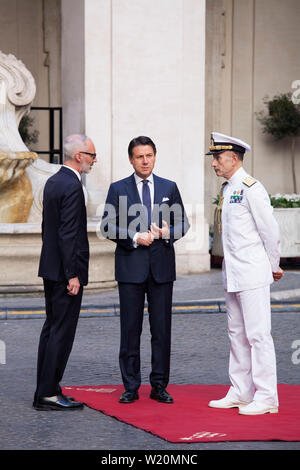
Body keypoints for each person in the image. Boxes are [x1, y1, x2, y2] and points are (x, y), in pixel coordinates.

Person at [101, 136, 189, 404]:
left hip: (162, 269)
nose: (145, 160)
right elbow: (106, 226)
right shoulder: (118, 189)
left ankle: (159, 385)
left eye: (149, 155)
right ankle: (131, 386)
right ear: (131, 159)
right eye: (140, 156)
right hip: (130, 269)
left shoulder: (169, 187)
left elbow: (183, 224)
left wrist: (166, 233)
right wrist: (134, 237)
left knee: (161, 330)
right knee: (130, 329)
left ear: (154, 156)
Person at [207, 132, 284, 416]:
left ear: (234, 158)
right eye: (214, 158)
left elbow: (270, 230)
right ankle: (240, 391)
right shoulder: (229, 189)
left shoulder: (252, 188)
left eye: (218, 157)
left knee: (259, 335)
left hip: (252, 273)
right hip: (234, 273)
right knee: (236, 333)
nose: (214, 163)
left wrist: (274, 265)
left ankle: (266, 397)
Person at [33, 134, 97, 411]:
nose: (94, 161)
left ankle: (47, 387)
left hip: (51, 268)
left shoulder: (53, 181)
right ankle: (47, 393)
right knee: (61, 333)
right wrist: (72, 274)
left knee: (51, 330)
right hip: (64, 273)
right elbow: (68, 234)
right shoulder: (71, 185)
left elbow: (52, 229)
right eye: (92, 156)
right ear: (79, 156)